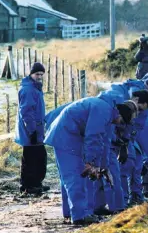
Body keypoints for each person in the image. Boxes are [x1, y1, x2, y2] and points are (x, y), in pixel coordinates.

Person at [44, 92, 137, 225]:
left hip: (73, 135)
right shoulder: (103, 111)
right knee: (75, 176)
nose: (119, 124)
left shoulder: (109, 115)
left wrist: (102, 168)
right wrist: (90, 163)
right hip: (66, 135)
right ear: (120, 115)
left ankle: (72, 213)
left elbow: (104, 144)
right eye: (121, 121)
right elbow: (93, 137)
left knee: (77, 176)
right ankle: (79, 217)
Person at [15, 62, 48, 195]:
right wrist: (32, 130)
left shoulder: (35, 88)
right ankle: (28, 186)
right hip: (31, 131)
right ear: (31, 74)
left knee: (40, 157)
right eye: (37, 74)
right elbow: (27, 112)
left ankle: (36, 183)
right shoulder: (28, 89)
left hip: (36, 130)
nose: (39, 76)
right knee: (30, 159)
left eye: (41, 74)